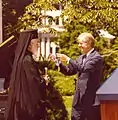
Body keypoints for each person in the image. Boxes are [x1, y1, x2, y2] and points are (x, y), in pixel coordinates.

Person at [50, 32, 103, 120]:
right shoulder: (81, 58)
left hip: (91, 101)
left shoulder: (96, 58)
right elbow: (70, 71)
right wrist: (57, 62)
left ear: (89, 43)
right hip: (78, 100)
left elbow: (83, 68)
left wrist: (68, 59)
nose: (79, 45)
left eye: (81, 43)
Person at [5, 29, 47, 120]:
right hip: (27, 105)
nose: (38, 45)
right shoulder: (27, 60)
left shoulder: (22, 59)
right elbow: (33, 82)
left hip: (21, 103)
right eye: (37, 43)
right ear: (28, 46)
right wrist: (44, 81)